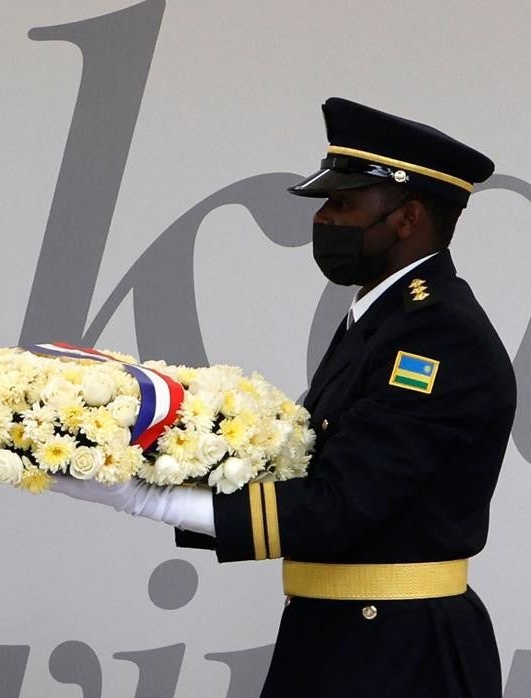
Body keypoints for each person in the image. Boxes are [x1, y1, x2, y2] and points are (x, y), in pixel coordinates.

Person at [53, 98, 515, 697]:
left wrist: (147, 500)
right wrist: (145, 450)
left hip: (401, 656)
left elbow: (336, 507)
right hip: (345, 638)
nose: (324, 219)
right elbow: (314, 461)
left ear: (408, 218)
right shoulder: (383, 319)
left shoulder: (435, 336)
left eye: (344, 203)